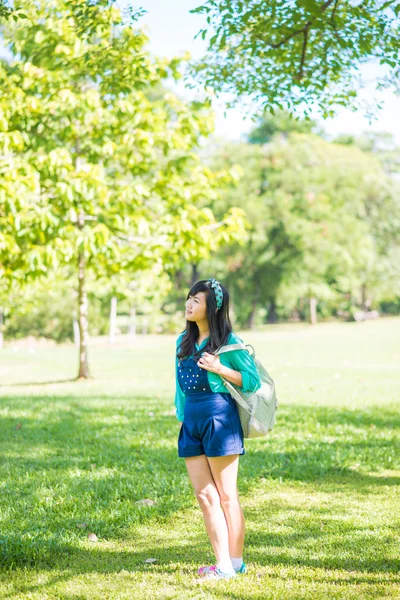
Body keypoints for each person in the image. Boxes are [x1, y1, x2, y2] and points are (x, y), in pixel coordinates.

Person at [174, 278, 261, 581]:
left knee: (226, 496)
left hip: (220, 420)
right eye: (189, 298)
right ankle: (222, 562)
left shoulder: (229, 341)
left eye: (197, 300)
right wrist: (182, 416)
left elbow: (252, 381)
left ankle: (232, 564)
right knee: (205, 495)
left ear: (213, 307)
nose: (189, 304)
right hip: (192, 421)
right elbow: (179, 387)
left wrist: (220, 367)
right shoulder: (181, 342)